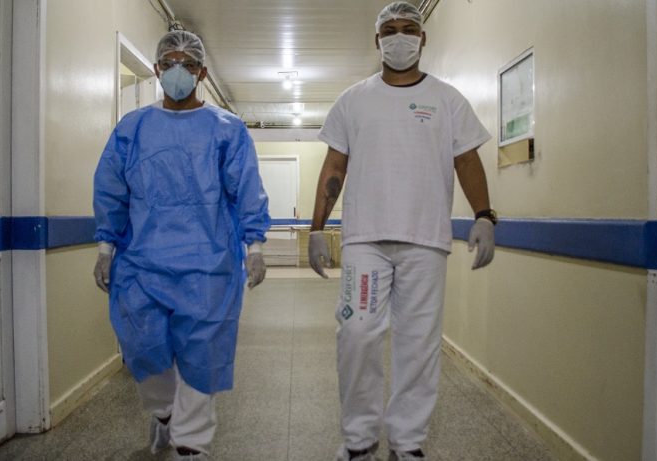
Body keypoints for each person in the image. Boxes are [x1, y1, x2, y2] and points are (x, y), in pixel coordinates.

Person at [308, 3, 496, 461]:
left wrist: (485, 215)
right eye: (389, 30)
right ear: (377, 40)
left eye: (409, 29)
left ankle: (408, 441)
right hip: (364, 240)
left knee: (418, 344)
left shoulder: (447, 99)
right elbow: (335, 166)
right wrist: (317, 229)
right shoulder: (353, 99)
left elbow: (467, 160)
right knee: (357, 335)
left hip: (425, 240)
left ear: (423, 38)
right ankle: (359, 439)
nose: (399, 37)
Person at [92, 30, 270, 461]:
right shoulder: (132, 129)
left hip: (208, 264)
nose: (178, 71)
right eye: (170, 63)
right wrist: (105, 247)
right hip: (142, 263)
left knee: (201, 354)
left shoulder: (226, 130)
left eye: (188, 64)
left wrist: (255, 245)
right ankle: (165, 414)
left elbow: (246, 188)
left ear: (202, 73)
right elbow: (112, 190)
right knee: (144, 349)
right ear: (156, 70)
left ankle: (192, 444)